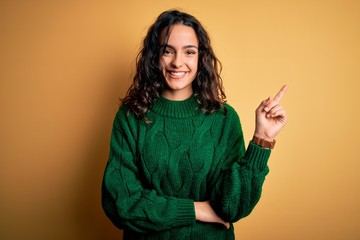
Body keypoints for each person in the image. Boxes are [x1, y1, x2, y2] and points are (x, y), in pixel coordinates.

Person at [101, 9, 287, 240]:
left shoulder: (224, 119)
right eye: (167, 51)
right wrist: (196, 210)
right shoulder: (131, 118)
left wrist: (262, 140)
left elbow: (232, 208)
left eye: (189, 52)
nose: (177, 62)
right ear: (154, 57)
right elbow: (121, 204)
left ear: (201, 58)